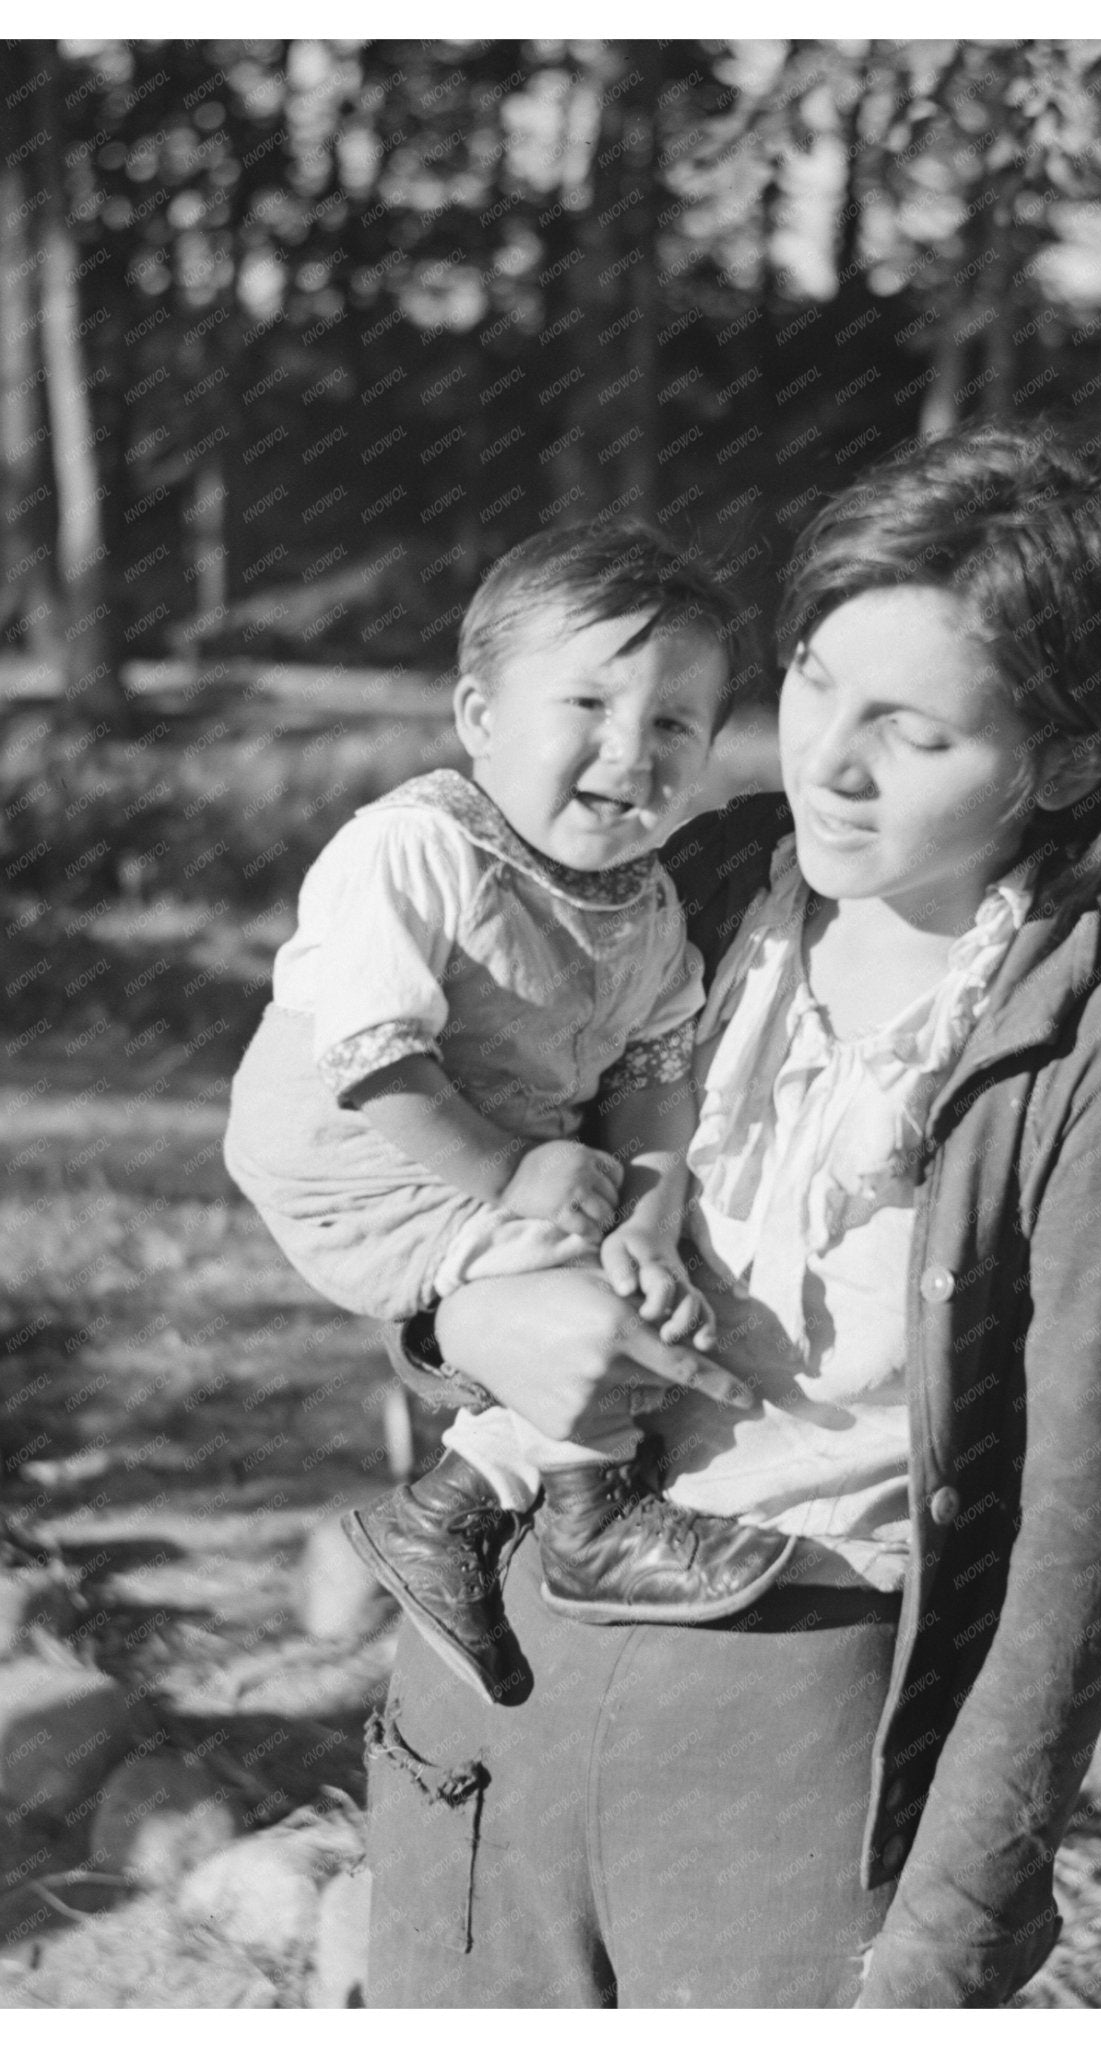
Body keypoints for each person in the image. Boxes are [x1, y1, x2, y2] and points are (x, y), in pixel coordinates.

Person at [360, 425, 1101, 2007]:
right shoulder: (679, 884)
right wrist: (460, 1322)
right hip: (490, 1670)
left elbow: (1085, 1556)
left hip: (787, 1736)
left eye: (911, 733)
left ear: (1063, 762)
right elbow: (409, 1153)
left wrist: (946, 1939)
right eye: (815, 682)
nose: (827, 762)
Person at [224, 522, 797, 1710]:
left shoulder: (644, 906)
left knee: (630, 1279)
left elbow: (654, 1071)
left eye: (673, 724)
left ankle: (454, 1506)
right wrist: (509, 1173)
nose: (628, 749)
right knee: (575, 1292)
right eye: (586, 704)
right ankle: (586, 1520)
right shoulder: (414, 848)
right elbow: (372, 1057)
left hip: (481, 1150)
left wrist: (648, 1216)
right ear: (479, 716)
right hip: (358, 1152)